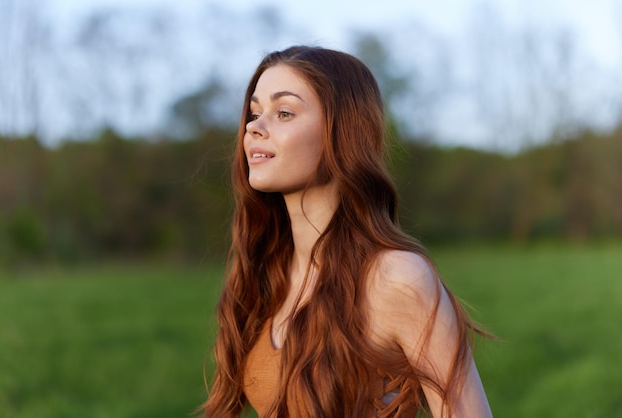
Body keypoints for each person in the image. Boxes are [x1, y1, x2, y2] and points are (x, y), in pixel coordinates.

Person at [202, 45, 493, 417]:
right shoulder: (268, 274)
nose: (254, 128)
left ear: (343, 133)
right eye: (255, 113)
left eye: (284, 112)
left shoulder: (395, 278)